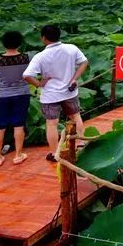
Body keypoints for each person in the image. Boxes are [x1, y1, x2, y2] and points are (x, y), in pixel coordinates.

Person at [22, 25, 88, 162]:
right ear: (59, 35)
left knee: (51, 124)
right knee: (75, 116)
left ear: (43, 38)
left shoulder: (40, 56)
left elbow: (27, 75)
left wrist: (39, 84)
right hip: (70, 91)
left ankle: (54, 153)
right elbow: (84, 62)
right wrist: (74, 78)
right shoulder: (71, 48)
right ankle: (81, 144)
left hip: (50, 95)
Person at [0, 31, 30, 167]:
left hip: (1, 95)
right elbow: (28, 73)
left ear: (3, 43)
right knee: (19, 124)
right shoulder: (25, 58)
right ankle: (18, 155)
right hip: (21, 93)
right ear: (19, 43)